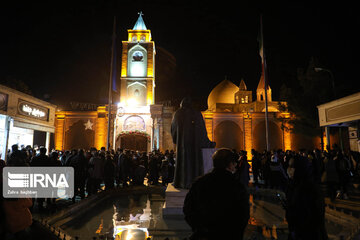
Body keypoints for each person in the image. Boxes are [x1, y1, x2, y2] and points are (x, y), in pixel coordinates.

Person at [183, 148, 250, 240]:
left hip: (203, 235)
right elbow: (243, 215)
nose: (235, 166)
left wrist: (199, 228)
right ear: (230, 164)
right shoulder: (237, 186)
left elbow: (188, 209)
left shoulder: (200, 183)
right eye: (234, 163)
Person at [171, 97, 215, 189]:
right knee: (195, 162)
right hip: (195, 146)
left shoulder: (178, 114)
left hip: (183, 145)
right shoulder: (197, 114)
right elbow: (203, 132)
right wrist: (208, 143)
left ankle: (181, 182)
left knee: (183, 162)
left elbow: (174, 130)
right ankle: (194, 182)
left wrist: (177, 140)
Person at [285, 156, 328, 240]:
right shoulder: (294, 185)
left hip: (308, 234)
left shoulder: (308, 189)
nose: (289, 169)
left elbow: (310, 215)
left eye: (292, 166)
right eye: (289, 166)